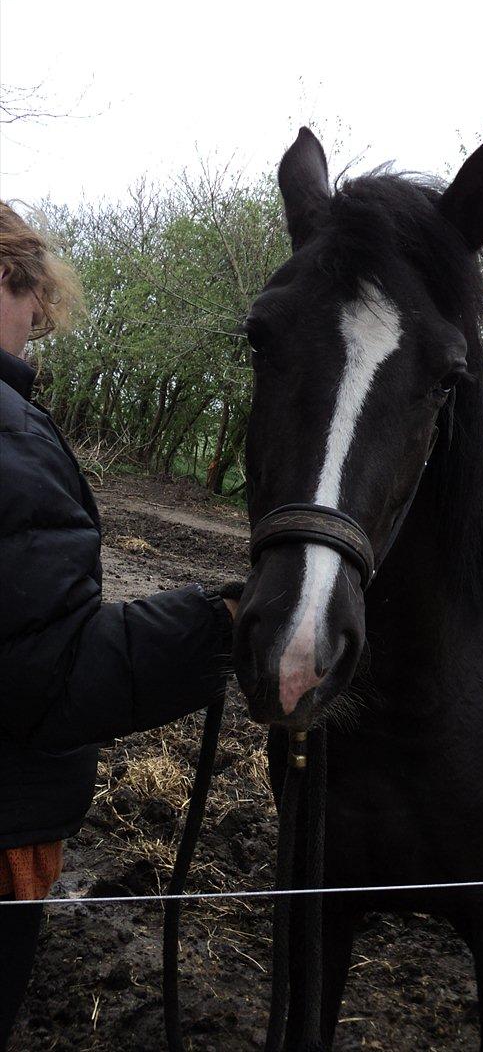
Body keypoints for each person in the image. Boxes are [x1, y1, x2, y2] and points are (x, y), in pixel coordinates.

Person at [0, 201, 244, 1048]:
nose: (38, 324)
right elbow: (45, 679)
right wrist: (218, 624)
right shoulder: (10, 436)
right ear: (9, 276)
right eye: (34, 301)